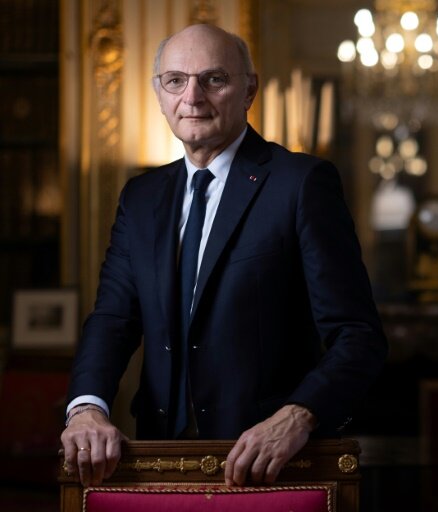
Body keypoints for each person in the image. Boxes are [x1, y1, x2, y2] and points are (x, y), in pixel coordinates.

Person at [60, 23, 387, 488]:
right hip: (159, 461)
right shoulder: (141, 197)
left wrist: (298, 415)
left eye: (214, 79)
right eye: (175, 80)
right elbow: (113, 319)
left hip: (270, 466)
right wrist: (87, 409)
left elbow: (358, 336)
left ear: (249, 90)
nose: (192, 97)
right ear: (159, 94)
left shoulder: (300, 184)